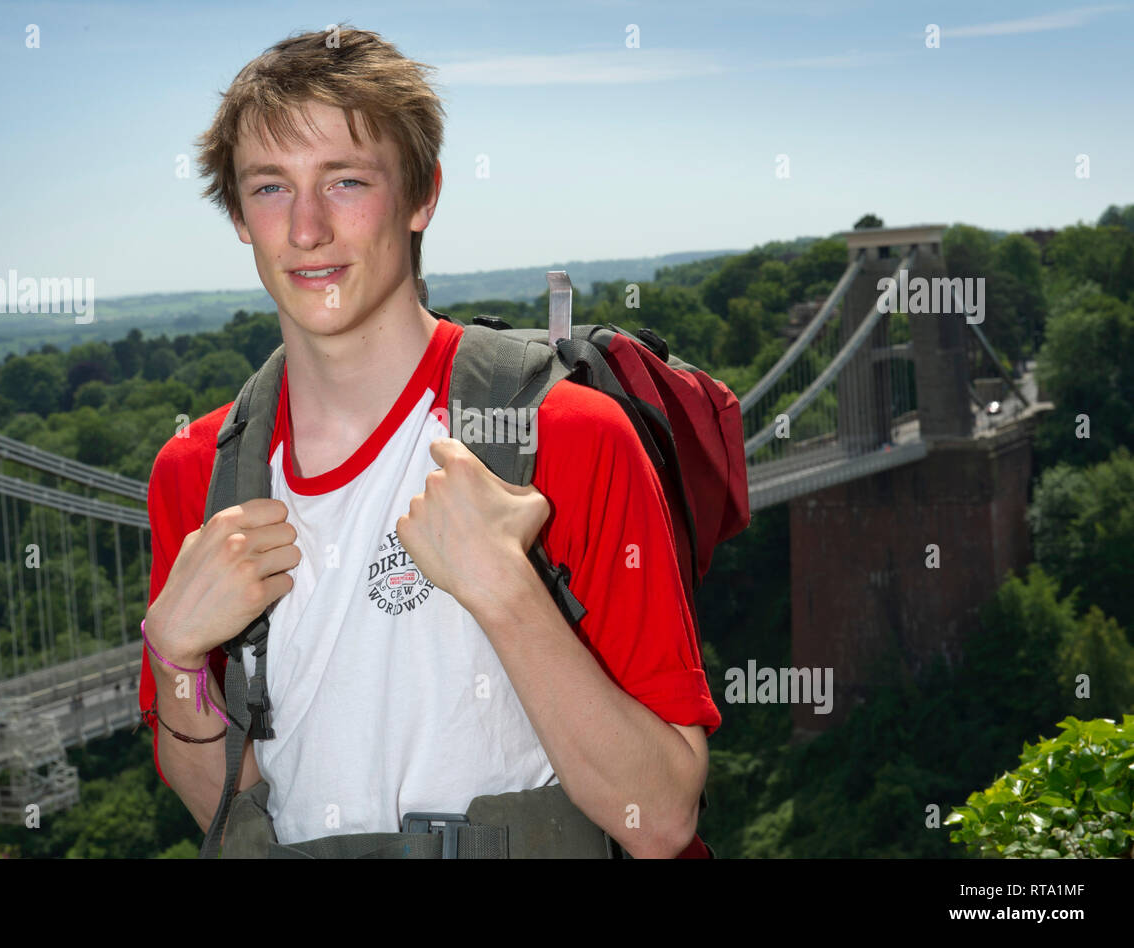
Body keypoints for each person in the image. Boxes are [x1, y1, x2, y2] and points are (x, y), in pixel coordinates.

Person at [139, 25, 720, 858]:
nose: (306, 230)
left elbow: (659, 818)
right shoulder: (199, 474)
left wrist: (505, 591)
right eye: (270, 188)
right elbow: (227, 818)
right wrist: (177, 662)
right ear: (238, 214)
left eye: (345, 181)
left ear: (423, 195)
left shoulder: (564, 435)